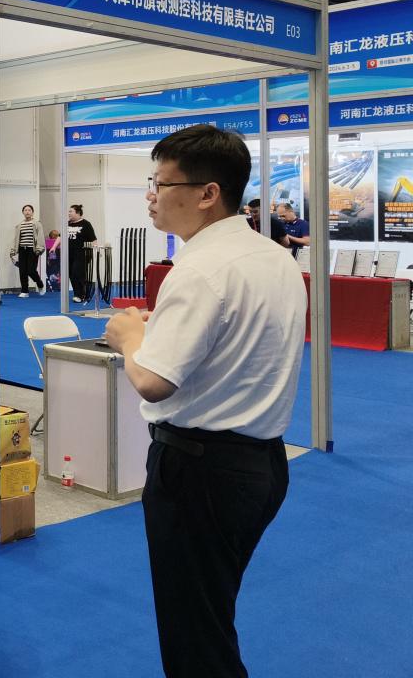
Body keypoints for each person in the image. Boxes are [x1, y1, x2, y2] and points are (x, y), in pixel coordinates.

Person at [105, 124, 305, 678]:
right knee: (211, 615)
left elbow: (153, 381)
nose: (151, 196)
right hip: (261, 463)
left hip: (199, 470)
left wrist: (129, 338)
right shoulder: (273, 257)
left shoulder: (198, 270)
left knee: (195, 637)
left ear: (207, 193)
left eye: (161, 183)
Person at [11, 204, 44, 297]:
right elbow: (16, 239)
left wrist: (39, 248)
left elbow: (40, 237)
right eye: (25, 210)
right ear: (23, 212)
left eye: (29, 210)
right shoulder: (19, 225)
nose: (27, 212)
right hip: (22, 250)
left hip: (32, 250)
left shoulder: (37, 224)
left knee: (31, 270)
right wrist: (13, 250)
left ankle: (40, 283)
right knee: (22, 271)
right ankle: (24, 291)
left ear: (32, 212)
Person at [67, 205, 97, 302]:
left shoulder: (86, 224)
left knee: (77, 273)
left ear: (78, 213)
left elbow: (93, 239)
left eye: (71, 211)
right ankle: (77, 293)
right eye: (69, 211)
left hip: (82, 253)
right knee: (71, 274)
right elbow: (60, 236)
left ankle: (81, 295)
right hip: (69, 253)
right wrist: (54, 247)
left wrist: (96, 250)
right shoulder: (67, 223)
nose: (69, 213)